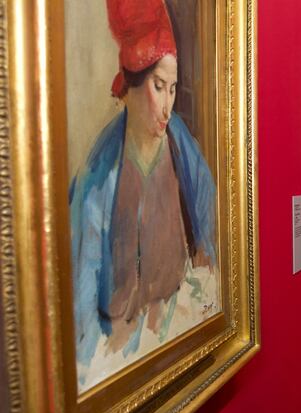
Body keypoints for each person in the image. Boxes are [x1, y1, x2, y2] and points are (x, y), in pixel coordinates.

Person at [70, 0, 217, 390]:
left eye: (172, 88)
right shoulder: (98, 177)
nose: (168, 105)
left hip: (181, 346)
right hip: (119, 367)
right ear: (133, 82)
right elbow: (81, 311)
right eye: (158, 86)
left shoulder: (186, 156)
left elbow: (210, 256)